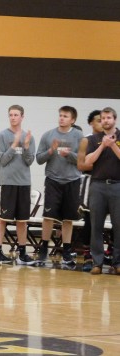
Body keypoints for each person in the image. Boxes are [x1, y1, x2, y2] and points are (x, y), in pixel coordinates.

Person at [36, 106, 83, 265]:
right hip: (53, 180)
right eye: (60, 115)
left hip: (72, 181)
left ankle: (67, 251)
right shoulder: (48, 135)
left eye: (65, 116)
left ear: (73, 120)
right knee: (48, 217)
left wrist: (68, 154)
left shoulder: (79, 136)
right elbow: (39, 159)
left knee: (68, 219)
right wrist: (51, 150)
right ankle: (43, 248)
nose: (62, 118)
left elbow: (83, 160)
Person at [0, 105, 36, 265]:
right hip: (7, 183)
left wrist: (25, 146)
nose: (13, 117)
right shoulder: (2, 135)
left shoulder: (29, 136)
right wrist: (14, 143)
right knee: (2, 218)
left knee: (22, 220)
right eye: (10, 114)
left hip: (23, 183)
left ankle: (22, 253)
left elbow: (30, 161)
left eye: (16, 115)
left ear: (22, 117)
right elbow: (2, 160)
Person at [77, 107, 120, 275]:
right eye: (103, 118)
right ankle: (97, 263)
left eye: (109, 117)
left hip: (117, 185)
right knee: (96, 225)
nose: (106, 121)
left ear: (114, 119)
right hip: (97, 186)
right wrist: (103, 145)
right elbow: (88, 161)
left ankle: (117, 262)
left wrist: (113, 146)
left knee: (118, 225)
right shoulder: (93, 139)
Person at [77, 110, 102, 271]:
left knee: (115, 221)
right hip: (90, 180)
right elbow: (82, 165)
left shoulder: (114, 139)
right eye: (99, 120)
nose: (102, 122)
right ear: (91, 122)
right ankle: (87, 254)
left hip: (110, 183)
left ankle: (111, 253)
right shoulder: (87, 140)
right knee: (90, 221)